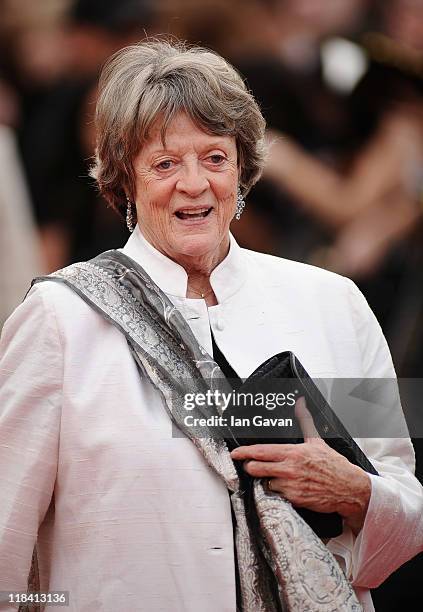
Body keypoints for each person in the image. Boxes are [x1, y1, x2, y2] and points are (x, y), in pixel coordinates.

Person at [0, 40, 422, 612]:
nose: (194, 184)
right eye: (165, 163)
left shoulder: (332, 304)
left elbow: (404, 506)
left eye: (215, 158)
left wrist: (355, 492)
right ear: (122, 181)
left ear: (244, 170)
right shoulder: (61, 320)